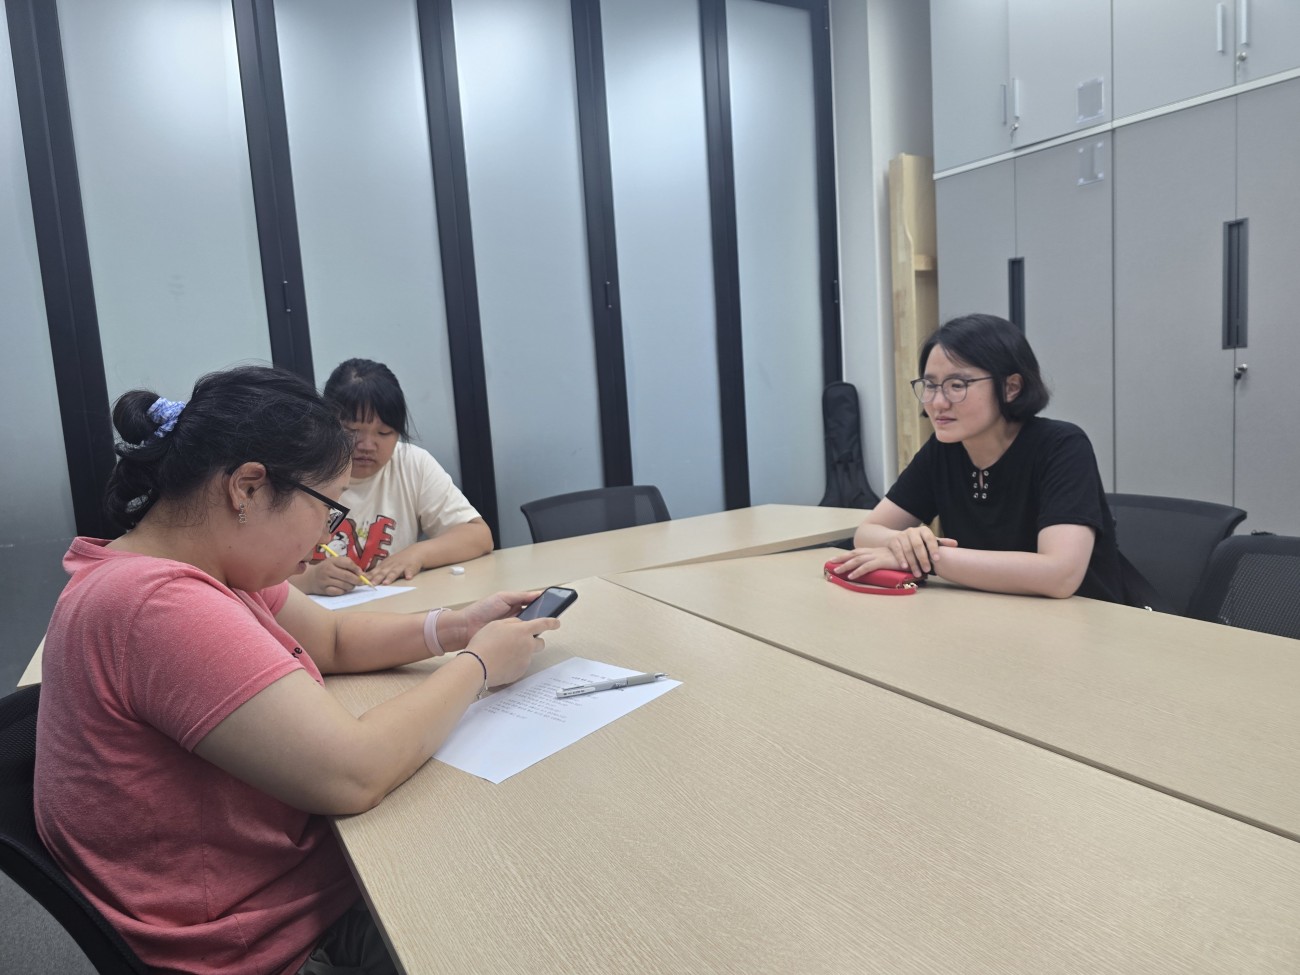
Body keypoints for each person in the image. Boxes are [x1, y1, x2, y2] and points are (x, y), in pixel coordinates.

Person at [34, 366, 560, 975]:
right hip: (263, 943)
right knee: (526, 920)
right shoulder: (157, 605)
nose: (326, 538)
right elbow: (353, 774)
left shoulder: (206, 564)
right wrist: (480, 664)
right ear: (248, 488)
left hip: (282, 886)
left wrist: (458, 626)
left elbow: (332, 638)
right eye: (328, 509)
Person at [829, 313, 1124, 602]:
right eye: (930, 385)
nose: (938, 402)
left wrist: (928, 558)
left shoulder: (1061, 446)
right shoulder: (943, 450)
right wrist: (905, 543)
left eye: (957, 385)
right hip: (990, 612)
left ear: (1011, 387)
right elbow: (867, 532)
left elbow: (1059, 575)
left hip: (1086, 618)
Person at [294, 358, 492, 596]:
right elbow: (254, 570)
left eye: (384, 432)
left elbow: (479, 536)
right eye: (352, 431)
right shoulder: (298, 469)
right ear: (328, 424)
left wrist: (417, 554)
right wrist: (309, 579)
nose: (366, 445)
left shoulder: (412, 463)